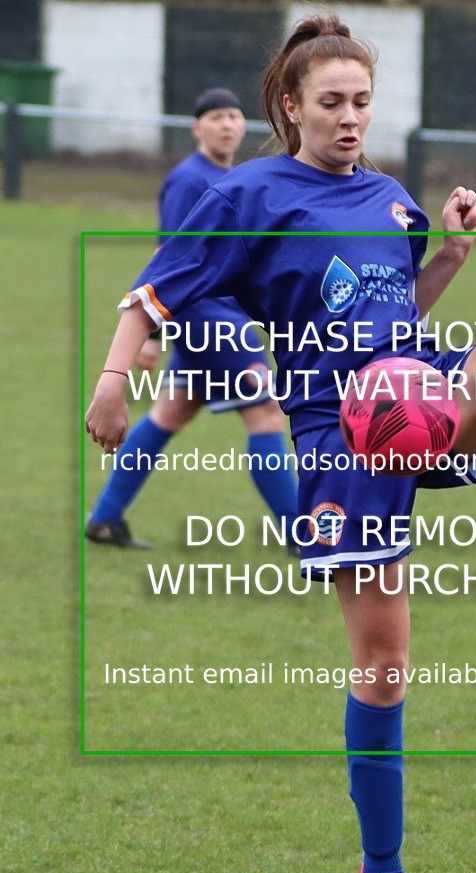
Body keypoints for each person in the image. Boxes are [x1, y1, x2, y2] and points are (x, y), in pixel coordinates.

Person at [85, 14, 476, 873]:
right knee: (384, 667)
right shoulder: (247, 194)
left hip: (414, 394)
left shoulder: (392, 196)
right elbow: (155, 294)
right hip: (336, 435)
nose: (350, 118)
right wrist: (115, 381)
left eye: (361, 101)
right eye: (332, 102)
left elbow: (394, 315)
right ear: (290, 106)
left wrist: (449, 257)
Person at [85, 87, 298, 549]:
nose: (227, 125)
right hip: (209, 317)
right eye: (216, 117)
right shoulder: (189, 179)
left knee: (169, 414)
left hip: (213, 316)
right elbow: (169, 260)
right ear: (196, 128)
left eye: (234, 116)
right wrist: (152, 334)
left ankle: (104, 518)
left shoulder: (230, 175)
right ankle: (303, 533)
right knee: (265, 414)